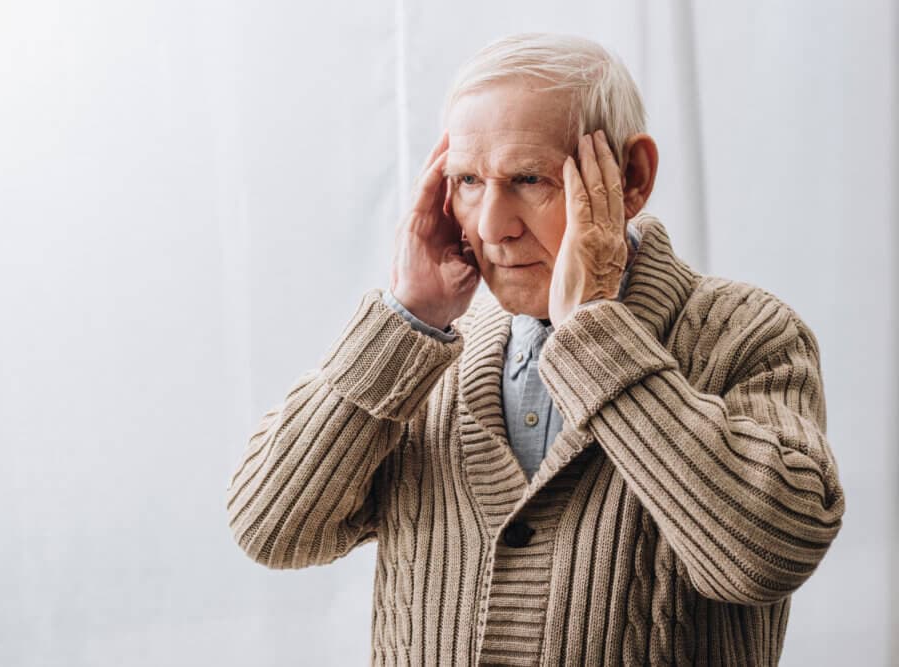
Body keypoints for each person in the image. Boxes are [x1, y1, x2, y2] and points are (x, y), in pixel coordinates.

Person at [225, 32, 845, 665]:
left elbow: (764, 557)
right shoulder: (424, 354)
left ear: (630, 179)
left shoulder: (748, 334)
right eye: (466, 180)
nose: (492, 226)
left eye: (527, 178)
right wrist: (405, 318)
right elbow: (271, 528)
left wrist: (595, 333)